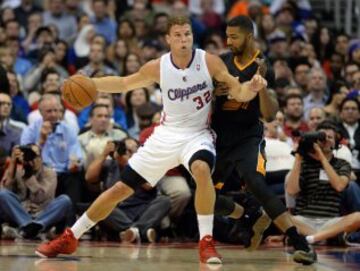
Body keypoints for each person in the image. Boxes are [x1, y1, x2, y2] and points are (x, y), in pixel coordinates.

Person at [35, 15, 266, 264]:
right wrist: (92, 83)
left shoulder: (208, 62)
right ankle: (71, 236)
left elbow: (237, 91)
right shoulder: (158, 66)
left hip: (197, 135)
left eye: (187, 34)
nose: (184, 39)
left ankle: (206, 241)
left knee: (201, 169)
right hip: (165, 135)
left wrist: (251, 89)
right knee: (119, 190)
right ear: (168, 39)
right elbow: (124, 83)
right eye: (177, 35)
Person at [211, 16, 316, 264]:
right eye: (226, 36)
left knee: (256, 182)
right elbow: (207, 101)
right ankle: (246, 215)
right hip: (219, 139)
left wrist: (262, 88)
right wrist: (215, 93)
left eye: (233, 36)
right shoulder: (221, 62)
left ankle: (300, 244)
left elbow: (269, 114)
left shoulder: (261, 65)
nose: (228, 41)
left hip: (248, 137)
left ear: (248, 36)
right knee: (203, 196)